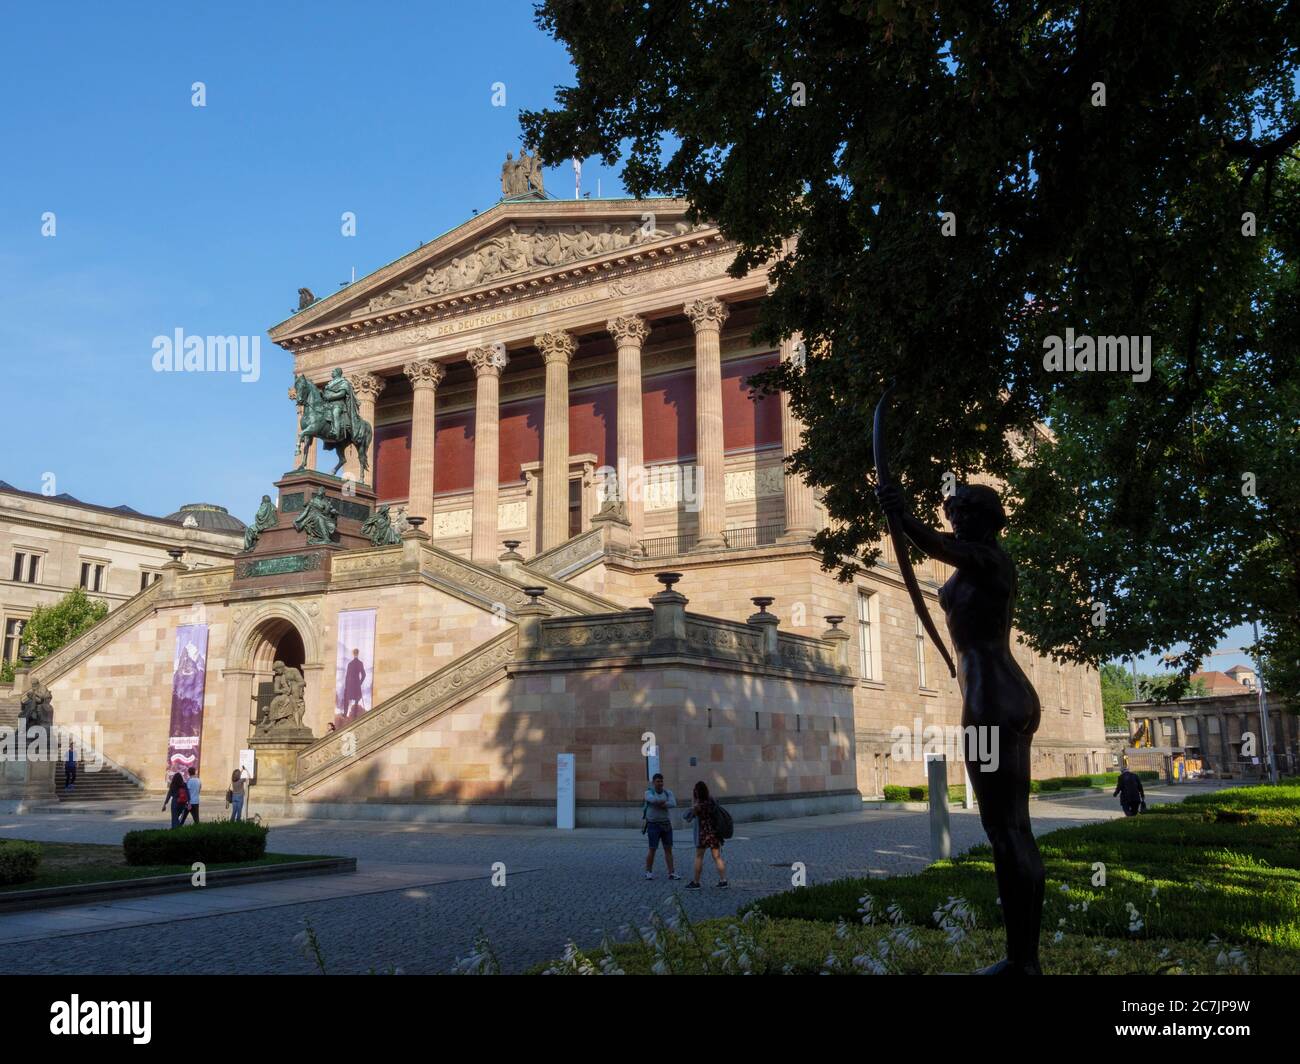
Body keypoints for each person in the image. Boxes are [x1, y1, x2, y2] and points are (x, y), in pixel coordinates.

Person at [877, 479, 1043, 974]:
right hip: (990, 694)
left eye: (965, 511)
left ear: (990, 519)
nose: (956, 518)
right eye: (953, 510)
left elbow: (934, 545)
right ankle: (1020, 959)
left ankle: (1023, 962)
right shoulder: (977, 558)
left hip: (995, 699)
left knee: (1008, 829)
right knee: (1006, 829)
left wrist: (900, 513)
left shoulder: (991, 559)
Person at [682, 780, 728, 889]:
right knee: (717, 857)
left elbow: (686, 816)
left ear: (697, 792)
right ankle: (723, 880)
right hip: (714, 833)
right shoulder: (712, 802)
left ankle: (696, 882)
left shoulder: (698, 805)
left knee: (699, 857)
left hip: (702, 834)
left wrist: (693, 802)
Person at [642, 773, 680, 881]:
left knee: (668, 849)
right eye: (658, 781)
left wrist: (663, 803)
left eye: (661, 781)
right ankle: (648, 872)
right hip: (653, 825)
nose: (660, 783)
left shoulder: (668, 793)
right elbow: (652, 800)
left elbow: (673, 803)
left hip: (666, 824)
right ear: (653, 782)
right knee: (652, 849)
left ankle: (671, 872)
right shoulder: (648, 792)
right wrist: (663, 802)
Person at [343, 648, 367, 719]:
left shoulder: (350, 664)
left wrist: (346, 685)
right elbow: (364, 675)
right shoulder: (360, 663)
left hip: (350, 684)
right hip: (356, 684)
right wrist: (360, 683)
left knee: (347, 699)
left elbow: (347, 676)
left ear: (353, 654)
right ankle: (355, 716)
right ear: (358, 653)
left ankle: (345, 714)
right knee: (356, 700)